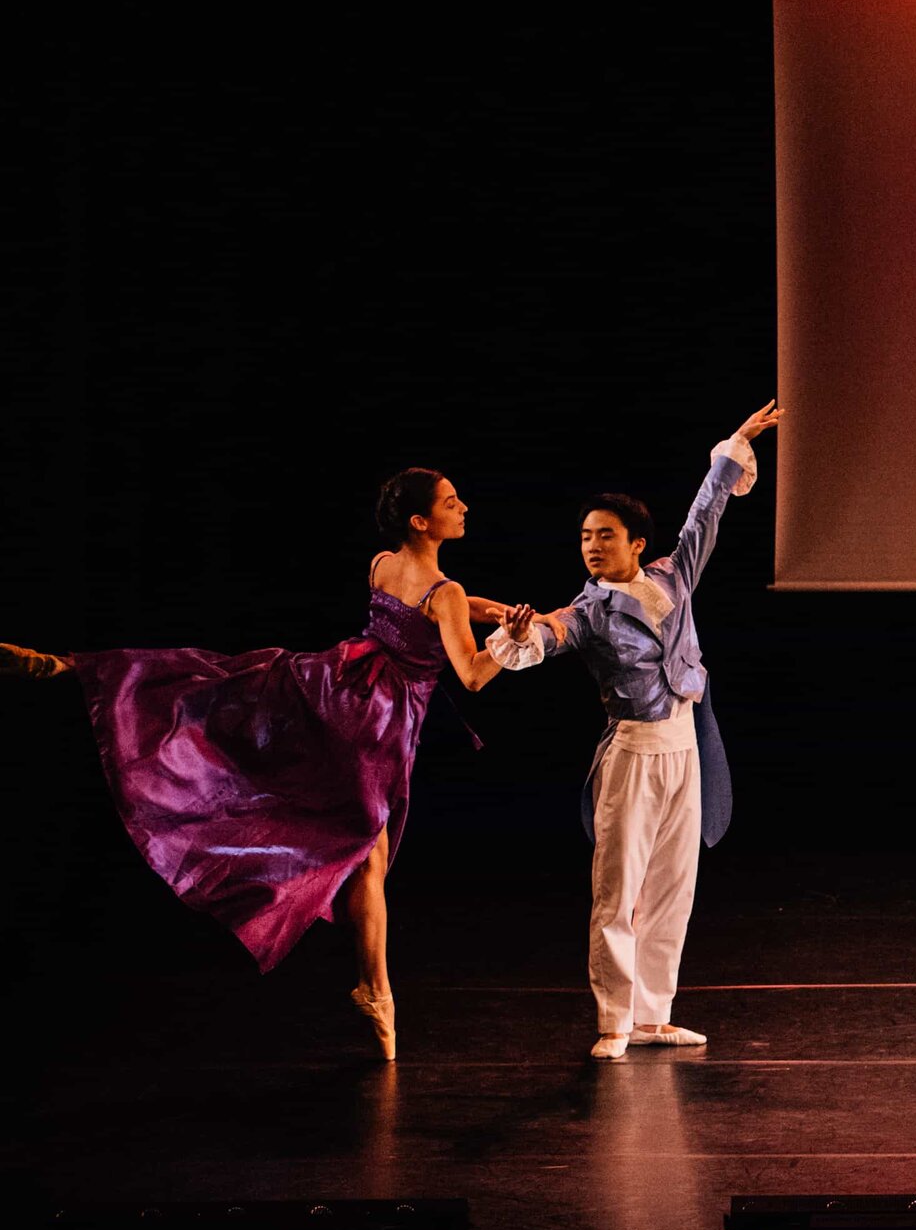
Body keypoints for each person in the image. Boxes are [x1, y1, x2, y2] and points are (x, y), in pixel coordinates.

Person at [47, 468, 525, 1059]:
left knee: (228, 682)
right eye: (452, 502)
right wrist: (517, 644)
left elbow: (432, 607)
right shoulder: (443, 592)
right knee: (368, 858)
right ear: (421, 521)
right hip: (376, 723)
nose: (464, 507)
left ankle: (87, 670)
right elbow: (473, 673)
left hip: (336, 682)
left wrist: (499, 611)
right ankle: (375, 990)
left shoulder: (383, 563)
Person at [485, 400, 777, 1060]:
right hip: (633, 753)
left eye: (605, 534)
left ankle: (653, 1013)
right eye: (586, 535)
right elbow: (552, 632)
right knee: (619, 886)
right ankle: (614, 1017)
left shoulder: (673, 574)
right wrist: (523, 631)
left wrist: (738, 440)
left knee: (674, 883)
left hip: (684, 745)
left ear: (636, 542)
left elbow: (707, 512)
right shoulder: (588, 610)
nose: (591, 543)